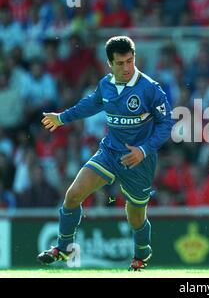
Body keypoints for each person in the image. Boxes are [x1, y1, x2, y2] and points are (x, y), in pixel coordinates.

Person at [37, 36, 174, 271]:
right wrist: (61, 118)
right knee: (73, 194)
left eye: (130, 61)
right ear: (109, 63)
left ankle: (142, 252)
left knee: (135, 218)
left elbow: (166, 124)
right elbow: (90, 104)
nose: (126, 68)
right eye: (120, 63)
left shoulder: (150, 89)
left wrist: (143, 150)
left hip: (138, 161)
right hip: (109, 152)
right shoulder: (106, 85)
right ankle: (64, 248)